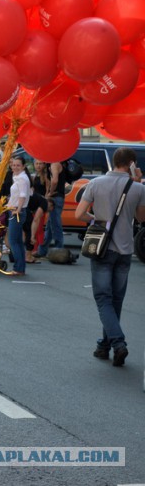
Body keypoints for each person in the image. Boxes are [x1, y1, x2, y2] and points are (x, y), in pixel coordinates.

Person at [75, 147, 145, 367]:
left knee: (103, 299)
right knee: (115, 300)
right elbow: (141, 218)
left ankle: (117, 343)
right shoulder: (137, 188)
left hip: (102, 248)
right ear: (132, 164)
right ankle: (104, 346)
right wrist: (138, 182)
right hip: (125, 250)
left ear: (114, 162)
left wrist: (97, 219)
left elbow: (79, 214)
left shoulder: (95, 183)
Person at [34, 159, 66, 257]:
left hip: (55, 197)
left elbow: (54, 181)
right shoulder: (53, 164)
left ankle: (59, 249)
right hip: (57, 197)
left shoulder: (54, 164)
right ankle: (42, 250)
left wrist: (50, 193)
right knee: (50, 225)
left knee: (55, 224)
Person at [6, 157, 31, 276]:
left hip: (17, 211)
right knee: (18, 241)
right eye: (13, 165)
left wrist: (18, 209)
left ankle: (18, 268)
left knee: (13, 241)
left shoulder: (22, 178)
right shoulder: (18, 177)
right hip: (15, 209)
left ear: (23, 166)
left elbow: (23, 195)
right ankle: (20, 267)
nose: (15, 167)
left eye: (18, 165)